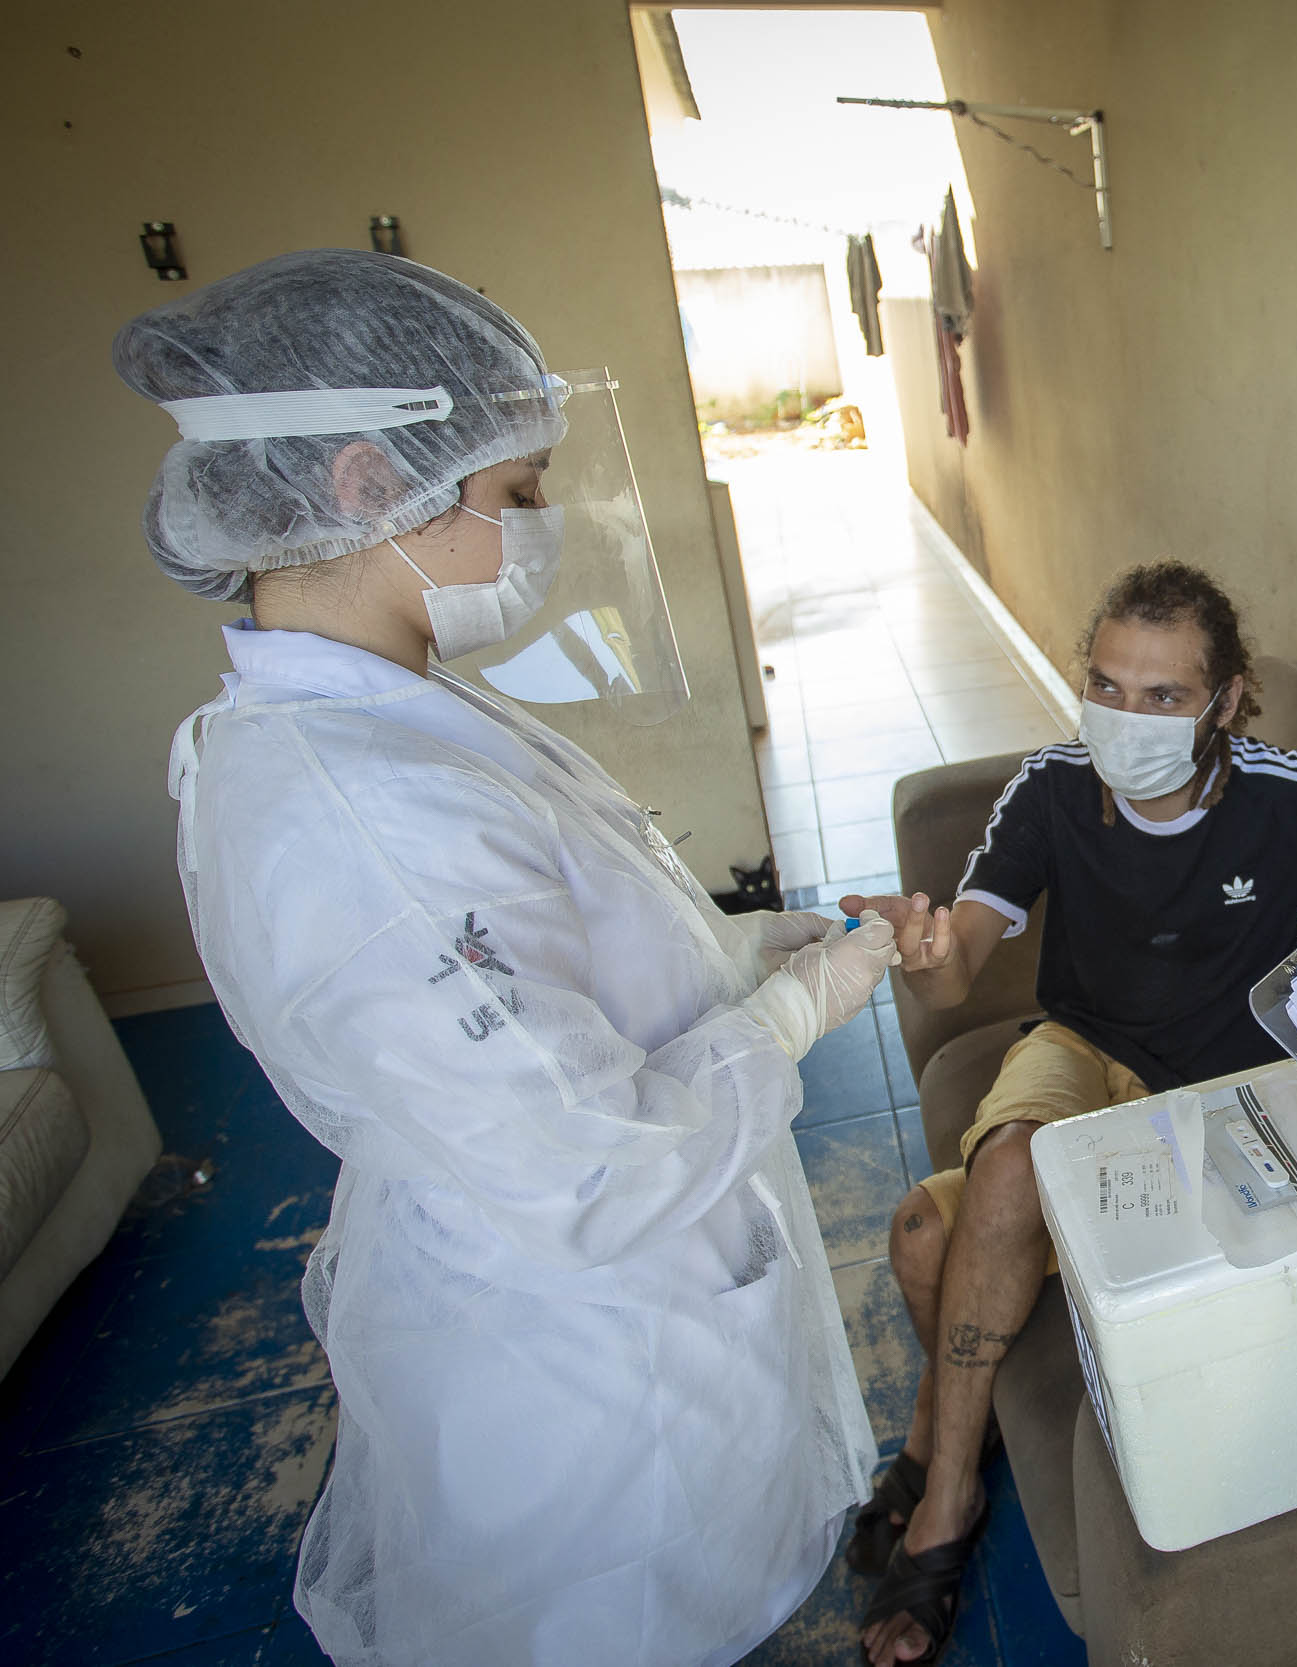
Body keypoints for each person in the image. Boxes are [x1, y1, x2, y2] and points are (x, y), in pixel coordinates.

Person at [116, 249, 899, 1667]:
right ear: (370, 482)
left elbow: (558, 963)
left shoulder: (397, 709)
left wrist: (746, 949)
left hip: (627, 1312)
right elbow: (585, 1171)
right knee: (630, 1624)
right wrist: (795, 1010)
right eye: (519, 492)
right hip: (586, 1377)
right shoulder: (364, 813)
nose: (539, 529)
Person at [842, 560, 1297, 1665]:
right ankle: (951, 1489)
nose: (1125, 720)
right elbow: (961, 960)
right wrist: (927, 956)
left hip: (1213, 1100)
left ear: (1225, 700)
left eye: (1163, 695)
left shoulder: (1292, 795)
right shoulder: (1050, 788)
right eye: (1106, 685)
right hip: (1078, 1047)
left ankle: (937, 1471)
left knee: (937, 1236)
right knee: (977, 1187)